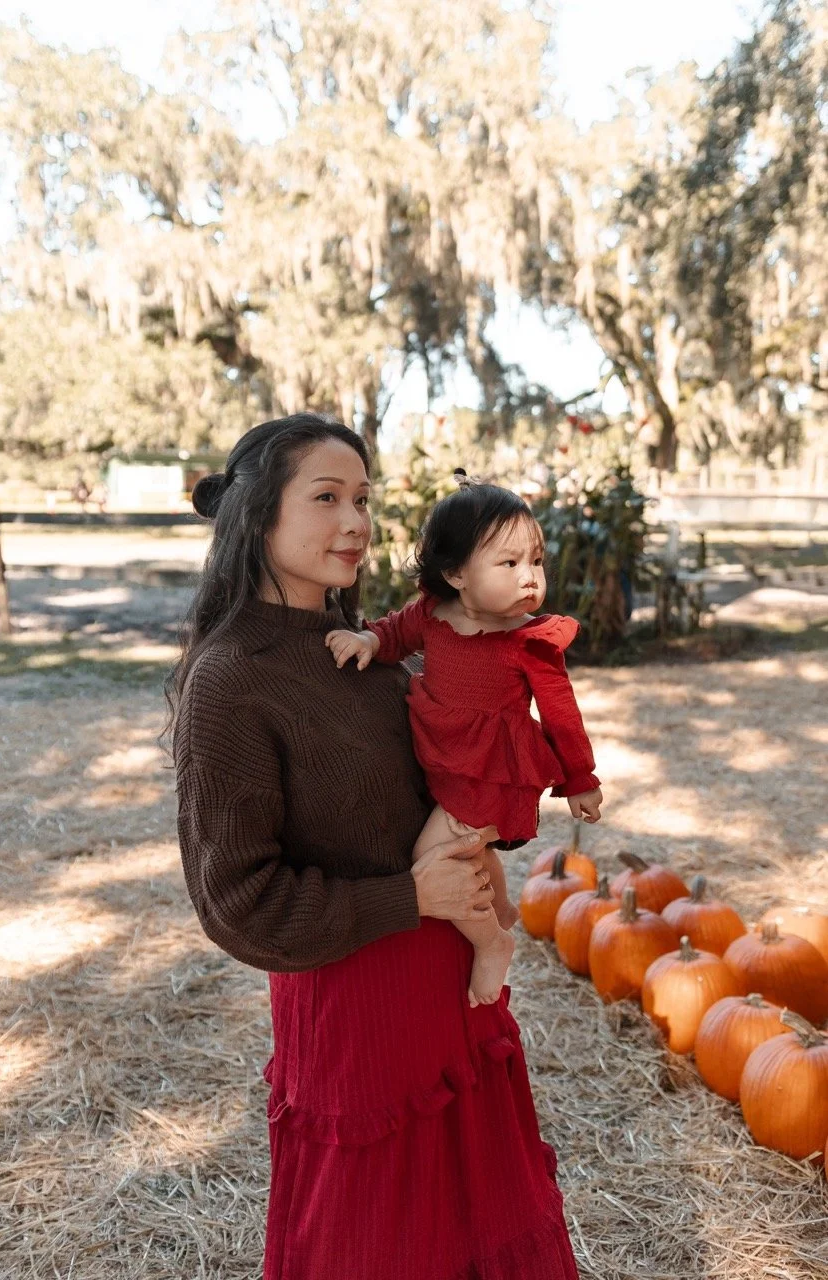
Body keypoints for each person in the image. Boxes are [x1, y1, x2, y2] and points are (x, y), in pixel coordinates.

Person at [167, 413, 581, 1280]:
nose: (355, 522)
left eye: (363, 498)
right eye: (326, 498)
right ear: (257, 516)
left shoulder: (366, 653)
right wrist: (411, 898)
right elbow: (240, 906)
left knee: (479, 1230)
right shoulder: (231, 680)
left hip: (454, 1002)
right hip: (359, 1027)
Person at [326, 473, 602, 1008]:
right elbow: (392, 634)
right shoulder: (432, 615)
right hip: (446, 761)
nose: (530, 578)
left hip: (492, 773)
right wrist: (365, 639)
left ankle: (491, 942)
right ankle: (496, 906)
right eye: (509, 563)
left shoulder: (528, 641)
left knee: (436, 854)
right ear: (455, 573)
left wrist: (580, 779)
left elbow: (561, 714)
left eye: (537, 561)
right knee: (473, 851)